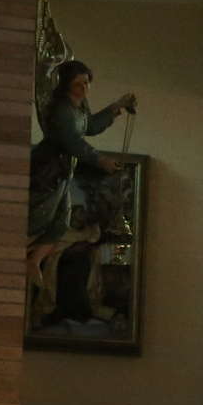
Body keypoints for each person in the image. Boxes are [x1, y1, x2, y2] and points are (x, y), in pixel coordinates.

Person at [27, 60, 134, 284]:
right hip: (49, 169)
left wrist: (117, 107)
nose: (84, 88)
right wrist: (100, 159)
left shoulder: (80, 107)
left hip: (64, 171)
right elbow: (72, 141)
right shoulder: (62, 109)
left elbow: (91, 126)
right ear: (66, 85)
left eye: (86, 83)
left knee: (61, 222)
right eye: (78, 84)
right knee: (40, 217)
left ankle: (34, 261)